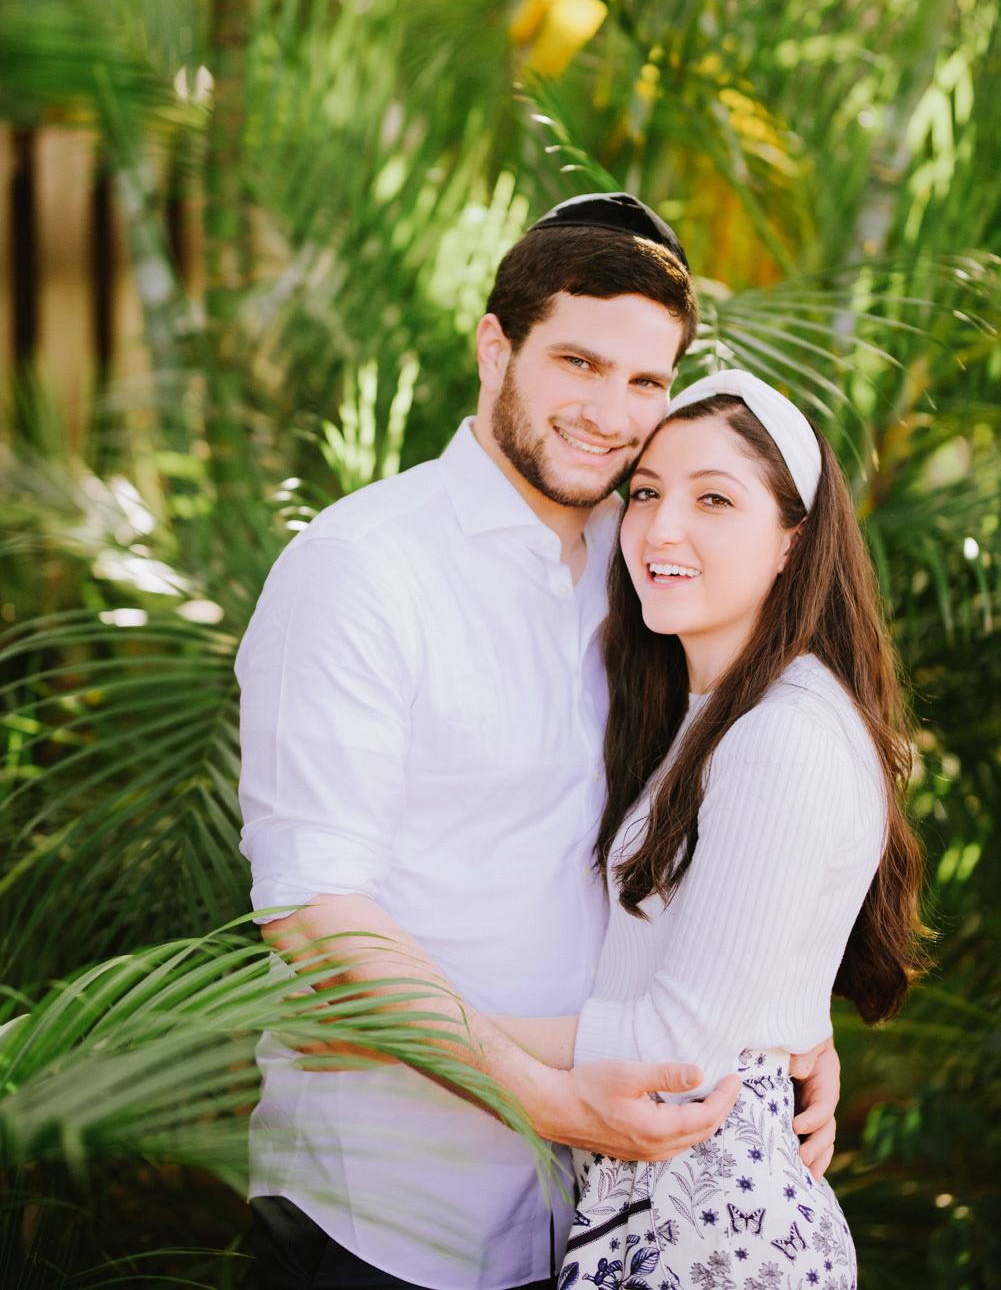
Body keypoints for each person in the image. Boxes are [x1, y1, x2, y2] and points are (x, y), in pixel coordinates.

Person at [236, 196, 841, 1290]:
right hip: (381, 1212)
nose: (610, 413)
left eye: (645, 382)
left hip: (586, 1218)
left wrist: (773, 1014)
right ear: (493, 346)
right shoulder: (362, 569)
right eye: (576, 362)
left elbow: (736, 819)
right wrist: (548, 1095)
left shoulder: (650, 559)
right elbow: (313, 908)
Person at [489, 370, 925, 1290]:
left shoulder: (784, 735)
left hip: (712, 1222)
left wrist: (417, 1022)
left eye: (714, 498)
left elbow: (675, 1041)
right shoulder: (714, 715)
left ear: (790, 541)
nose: (660, 528)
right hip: (665, 1198)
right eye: (644, 493)